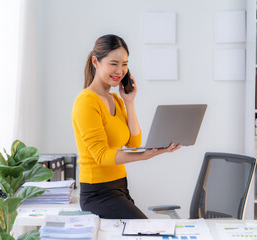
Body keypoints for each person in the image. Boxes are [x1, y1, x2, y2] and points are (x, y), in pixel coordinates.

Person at [72, 34, 181, 219]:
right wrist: (145, 155)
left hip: (119, 187)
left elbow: (133, 142)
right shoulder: (86, 102)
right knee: (146, 230)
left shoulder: (116, 100)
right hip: (98, 193)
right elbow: (101, 156)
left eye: (124, 64)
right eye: (113, 64)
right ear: (95, 62)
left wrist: (129, 102)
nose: (120, 70)